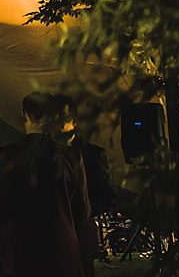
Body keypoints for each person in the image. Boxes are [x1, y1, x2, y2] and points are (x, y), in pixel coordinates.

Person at [0, 92, 90, 277]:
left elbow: (1, 207)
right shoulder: (71, 155)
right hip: (62, 250)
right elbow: (82, 210)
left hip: (24, 249)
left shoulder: (9, 155)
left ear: (25, 114)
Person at [51, 95, 111, 277]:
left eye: (62, 117)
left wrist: (83, 210)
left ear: (74, 122)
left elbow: (108, 196)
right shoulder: (42, 154)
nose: (56, 122)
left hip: (80, 233)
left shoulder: (92, 155)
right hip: (52, 238)